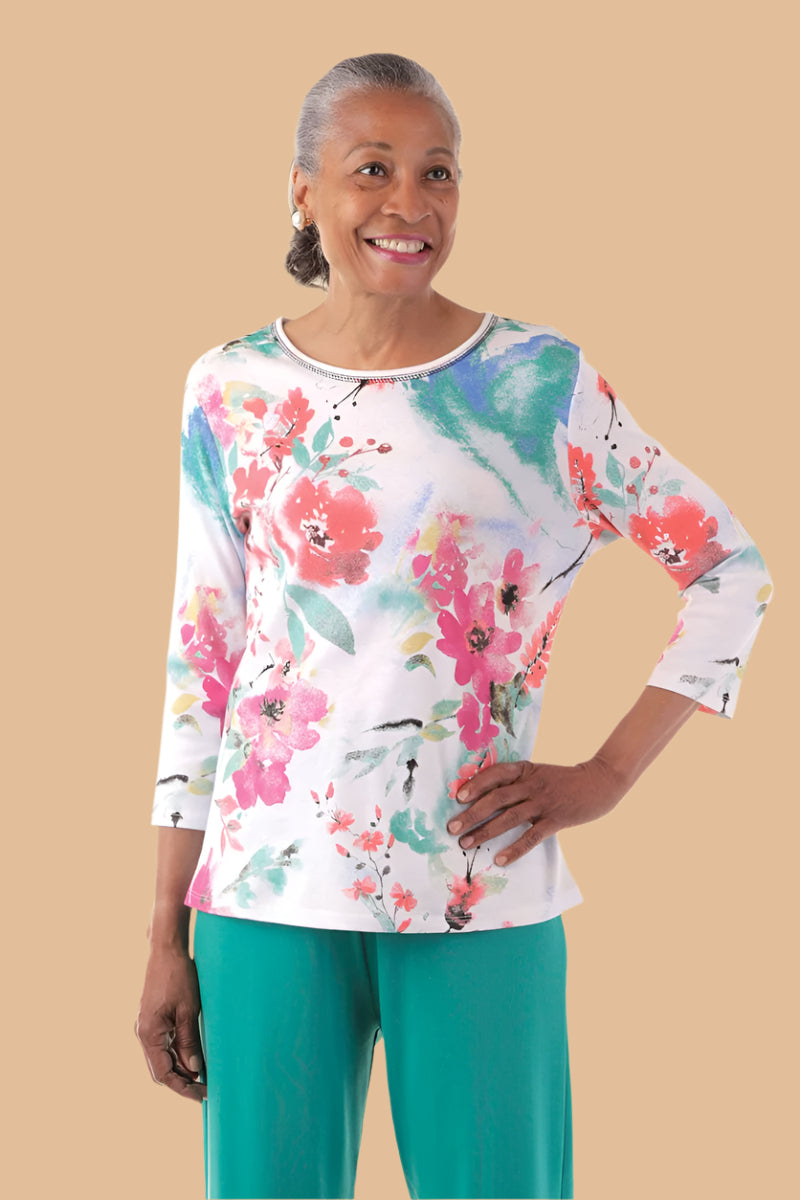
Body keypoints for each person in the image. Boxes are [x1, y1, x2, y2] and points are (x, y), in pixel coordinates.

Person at [134, 52, 773, 1200]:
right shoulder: (229, 387)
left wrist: (606, 775)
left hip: (478, 886)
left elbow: (728, 568)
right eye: (371, 168)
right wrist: (161, 934)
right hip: (263, 898)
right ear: (302, 190)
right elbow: (204, 658)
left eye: (438, 172)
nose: (409, 202)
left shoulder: (537, 385)